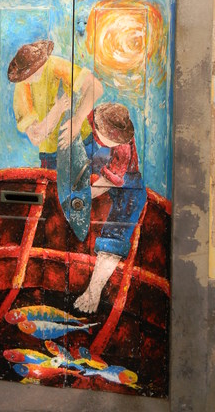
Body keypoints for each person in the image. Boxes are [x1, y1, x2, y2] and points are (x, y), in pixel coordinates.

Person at [71, 102, 147, 314]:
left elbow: (109, 181)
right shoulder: (92, 118)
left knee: (118, 228)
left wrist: (84, 196)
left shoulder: (123, 149)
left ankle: (93, 293)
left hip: (127, 184)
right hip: (98, 167)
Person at [8, 39, 102, 169]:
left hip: (83, 141)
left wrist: (78, 120)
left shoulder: (54, 65)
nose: (28, 77)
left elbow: (95, 86)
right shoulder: (22, 85)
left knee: (96, 179)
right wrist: (58, 109)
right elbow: (35, 137)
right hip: (51, 154)